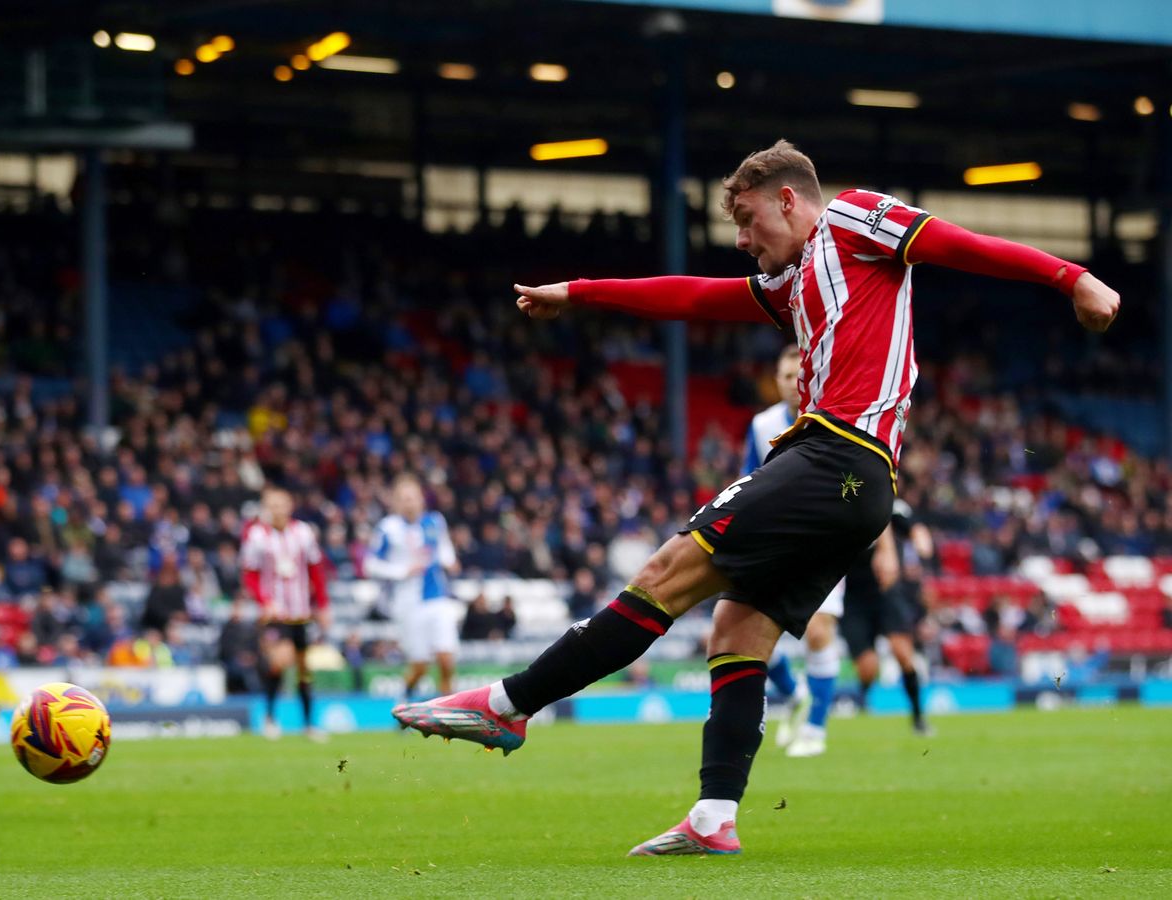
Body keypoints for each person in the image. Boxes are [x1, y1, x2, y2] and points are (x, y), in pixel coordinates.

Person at [393, 140, 1119, 856]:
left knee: (663, 576)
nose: (741, 239)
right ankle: (713, 815)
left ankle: (509, 705)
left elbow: (958, 244)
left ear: (788, 199)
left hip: (837, 454)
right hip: (855, 483)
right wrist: (579, 293)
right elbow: (695, 295)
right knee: (737, 630)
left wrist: (1070, 277)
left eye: (747, 219)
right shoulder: (794, 280)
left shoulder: (857, 217)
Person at [741, 345, 845, 758]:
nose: (790, 382)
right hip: (775, 545)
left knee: (818, 631)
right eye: (784, 376)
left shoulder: (837, 418)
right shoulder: (761, 424)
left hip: (826, 542)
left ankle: (816, 728)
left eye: (797, 374)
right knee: (754, 632)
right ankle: (792, 690)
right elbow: (750, 479)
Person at [240, 485, 330, 741]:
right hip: (275, 614)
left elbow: (315, 570)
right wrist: (264, 600)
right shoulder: (257, 536)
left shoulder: (303, 532)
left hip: (300, 612)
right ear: (266, 508)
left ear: (290, 506)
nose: (278, 510)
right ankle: (270, 718)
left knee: (303, 668)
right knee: (278, 662)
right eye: (272, 505)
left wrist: (322, 604)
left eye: (282, 504)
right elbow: (250, 574)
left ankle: (309, 724)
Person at [841, 499, 934, 735]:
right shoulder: (840, 507)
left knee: (902, 653)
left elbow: (915, 528)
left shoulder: (890, 505)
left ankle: (918, 717)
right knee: (867, 668)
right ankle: (862, 706)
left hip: (886, 593)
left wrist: (921, 542)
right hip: (853, 599)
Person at [364, 475, 461, 699]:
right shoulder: (388, 528)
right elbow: (371, 564)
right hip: (408, 604)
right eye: (404, 499)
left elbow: (443, 547)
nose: (409, 503)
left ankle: (448, 715)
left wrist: (450, 560)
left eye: (413, 498)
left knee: (446, 658)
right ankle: (404, 700)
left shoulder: (435, 521)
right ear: (396, 502)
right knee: (421, 666)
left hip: (438, 597)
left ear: (421, 499)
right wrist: (401, 571)